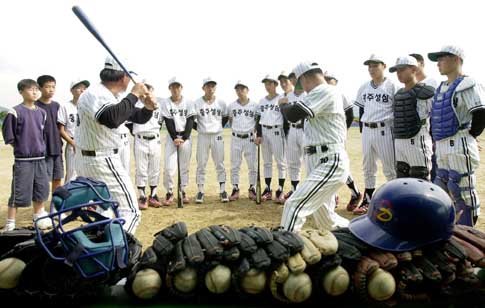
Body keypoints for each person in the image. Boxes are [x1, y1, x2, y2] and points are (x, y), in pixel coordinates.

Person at [75, 57, 157, 235]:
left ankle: (98, 248)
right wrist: (134, 95)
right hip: (100, 159)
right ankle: (116, 253)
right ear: (123, 78)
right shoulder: (95, 93)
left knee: (106, 210)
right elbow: (112, 119)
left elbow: (138, 117)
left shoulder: (114, 96)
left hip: (93, 158)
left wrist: (149, 108)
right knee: (131, 212)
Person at [280, 62, 350, 231]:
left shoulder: (325, 90)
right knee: (327, 221)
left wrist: (283, 104)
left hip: (329, 159)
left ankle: (283, 250)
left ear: (304, 78)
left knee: (294, 206)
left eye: (299, 81)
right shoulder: (320, 93)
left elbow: (293, 114)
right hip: (318, 159)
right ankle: (362, 235)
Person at [428, 45, 485, 226]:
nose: (438, 63)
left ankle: (468, 230)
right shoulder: (441, 87)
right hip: (442, 144)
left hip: (460, 141)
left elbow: (480, 113)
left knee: (462, 188)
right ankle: (448, 226)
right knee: (441, 185)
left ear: (457, 59)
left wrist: (470, 136)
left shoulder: (468, 83)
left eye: (443, 58)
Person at [2, 79, 51, 231]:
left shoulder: (42, 113)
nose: (35, 92)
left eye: (36, 89)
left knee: (41, 190)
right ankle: (10, 223)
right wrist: (22, 148)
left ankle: (39, 218)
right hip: (23, 160)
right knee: (19, 192)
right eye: (30, 89)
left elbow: (42, 135)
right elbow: (9, 136)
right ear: (21, 92)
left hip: (40, 159)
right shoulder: (14, 112)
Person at [353, 54, 398, 215]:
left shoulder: (393, 86)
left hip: (385, 129)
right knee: (368, 167)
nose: (371, 69)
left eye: (375, 65)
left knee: (390, 169)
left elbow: (398, 110)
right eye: (369, 66)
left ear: (384, 66)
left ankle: (395, 200)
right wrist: (362, 129)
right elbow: (361, 108)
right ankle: (368, 199)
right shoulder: (364, 86)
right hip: (367, 129)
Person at [389, 56, 435, 179]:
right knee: (402, 178)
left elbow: (437, 116)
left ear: (414, 70)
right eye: (397, 71)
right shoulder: (398, 94)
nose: (399, 73)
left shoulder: (426, 92)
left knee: (420, 178)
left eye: (402, 70)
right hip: (400, 140)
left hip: (418, 138)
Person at [324, 71, 363, 211]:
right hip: (324, 137)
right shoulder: (321, 95)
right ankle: (336, 196)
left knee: (339, 165)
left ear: (336, 81)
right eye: (325, 79)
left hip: (337, 137)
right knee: (328, 166)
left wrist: (342, 130)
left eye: (330, 79)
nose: (327, 81)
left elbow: (350, 114)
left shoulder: (341, 95)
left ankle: (355, 193)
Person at [193, 77, 229, 203]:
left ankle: (223, 190)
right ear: (203, 88)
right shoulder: (197, 103)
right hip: (203, 135)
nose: (211, 88)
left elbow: (225, 118)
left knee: (220, 163)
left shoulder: (221, 103)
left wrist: (217, 127)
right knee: (201, 163)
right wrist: (200, 128)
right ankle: (201, 191)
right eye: (208, 86)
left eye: (213, 85)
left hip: (217, 135)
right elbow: (191, 120)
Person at [161, 77, 195, 205]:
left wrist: (184, 137)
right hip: (172, 138)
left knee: (184, 166)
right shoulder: (165, 103)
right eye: (173, 87)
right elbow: (168, 121)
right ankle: (169, 191)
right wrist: (175, 137)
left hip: (185, 137)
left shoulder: (189, 103)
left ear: (181, 88)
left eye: (177, 86)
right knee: (169, 168)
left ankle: (183, 190)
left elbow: (190, 121)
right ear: (169, 88)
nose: (175, 89)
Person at [255, 74, 287, 204]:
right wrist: (259, 134)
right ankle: (268, 188)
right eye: (266, 84)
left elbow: (286, 118)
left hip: (277, 131)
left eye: (269, 83)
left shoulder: (282, 99)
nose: (267, 86)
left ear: (275, 84)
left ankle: (280, 189)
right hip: (265, 132)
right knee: (267, 162)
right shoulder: (261, 101)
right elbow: (258, 119)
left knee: (281, 162)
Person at [132, 83, 163, 209]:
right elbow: (129, 124)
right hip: (140, 139)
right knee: (141, 169)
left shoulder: (158, 105)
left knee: (155, 169)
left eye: (149, 89)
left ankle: (154, 195)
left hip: (155, 138)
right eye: (145, 89)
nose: (147, 92)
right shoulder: (135, 105)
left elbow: (160, 122)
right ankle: (142, 196)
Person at [227, 80, 258, 201]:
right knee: (235, 165)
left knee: (252, 165)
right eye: (237, 89)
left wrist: (253, 132)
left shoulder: (255, 105)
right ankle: (235, 188)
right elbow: (230, 120)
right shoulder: (232, 106)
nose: (240, 91)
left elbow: (257, 121)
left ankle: (252, 188)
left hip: (250, 138)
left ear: (247, 90)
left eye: (242, 88)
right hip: (236, 137)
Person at [57, 78, 90, 182]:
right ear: (72, 90)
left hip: (87, 143)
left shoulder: (89, 106)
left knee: (87, 173)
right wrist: (72, 143)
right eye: (79, 88)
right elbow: (61, 130)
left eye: (84, 88)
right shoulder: (65, 106)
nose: (82, 90)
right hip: (72, 143)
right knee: (72, 173)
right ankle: (69, 197)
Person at [36, 75, 63, 193]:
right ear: (39, 88)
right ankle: (40, 206)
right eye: (47, 87)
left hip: (57, 147)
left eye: (53, 87)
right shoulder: (35, 106)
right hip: (43, 150)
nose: (51, 89)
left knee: (57, 178)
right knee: (43, 179)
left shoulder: (57, 106)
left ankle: (55, 206)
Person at [279, 72, 304, 201]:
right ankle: (295, 190)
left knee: (311, 163)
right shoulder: (288, 96)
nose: (294, 80)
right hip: (292, 129)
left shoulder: (308, 94)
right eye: (292, 78)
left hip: (306, 130)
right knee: (293, 162)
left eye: (296, 78)